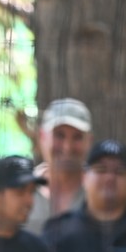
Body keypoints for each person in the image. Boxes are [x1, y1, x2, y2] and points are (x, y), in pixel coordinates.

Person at [24, 98, 93, 235]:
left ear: (89, 141)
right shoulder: (21, 190)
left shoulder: (104, 191)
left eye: (77, 137)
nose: (67, 147)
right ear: (42, 137)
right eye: (59, 135)